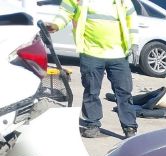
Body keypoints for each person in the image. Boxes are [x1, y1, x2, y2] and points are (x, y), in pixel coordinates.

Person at [47, 0, 138, 138]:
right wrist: (56, 24)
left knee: (124, 92)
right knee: (91, 90)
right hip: (90, 51)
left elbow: (131, 19)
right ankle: (92, 124)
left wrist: (134, 42)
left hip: (118, 54)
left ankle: (129, 127)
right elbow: (65, 11)